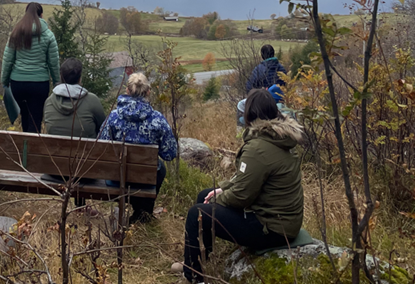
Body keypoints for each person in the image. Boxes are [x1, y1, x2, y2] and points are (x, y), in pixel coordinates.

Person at [175, 88, 304, 283]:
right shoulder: (278, 139)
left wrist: (220, 197)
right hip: (282, 221)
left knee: (197, 214)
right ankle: (199, 262)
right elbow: (246, 180)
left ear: (250, 114)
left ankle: (194, 277)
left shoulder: (259, 148)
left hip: (271, 228)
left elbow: (242, 196)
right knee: (205, 195)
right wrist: (221, 189)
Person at [98, 73, 177, 224]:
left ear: (127, 91)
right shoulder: (157, 119)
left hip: (116, 179)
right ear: (148, 92)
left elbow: (102, 148)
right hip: (145, 181)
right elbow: (170, 153)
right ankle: (143, 212)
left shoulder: (113, 117)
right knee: (160, 168)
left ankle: (140, 212)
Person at [1, 2, 61, 133]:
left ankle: (25, 149)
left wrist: (5, 81)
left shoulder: (16, 33)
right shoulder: (48, 35)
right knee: (36, 118)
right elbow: (53, 62)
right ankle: (33, 148)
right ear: (41, 15)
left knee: (25, 117)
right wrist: (57, 82)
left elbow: (8, 60)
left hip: (18, 83)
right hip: (39, 84)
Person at [43, 58, 106, 139]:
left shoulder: (50, 101)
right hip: (87, 150)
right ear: (80, 78)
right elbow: (103, 128)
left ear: (61, 76)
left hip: (55, 150)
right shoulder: (92, 100)